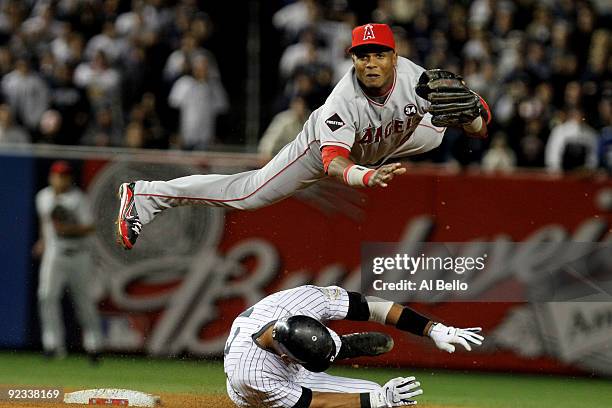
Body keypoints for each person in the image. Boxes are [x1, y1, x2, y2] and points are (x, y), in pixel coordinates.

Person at [117, 23, 490, 250]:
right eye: (362, 56)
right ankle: (146, 195)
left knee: (442, 128)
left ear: (395, 57)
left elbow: (482, 127)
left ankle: (455, 115)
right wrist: (365, 176)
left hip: (396, 139)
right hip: (323, 148)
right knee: (247, 194)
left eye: (378, 54)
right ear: (353, 60)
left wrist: (473, 115)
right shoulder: (343, 101)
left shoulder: (419, 82)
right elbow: (333, 163)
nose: (370, 63)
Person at [224, 285, 483, 407]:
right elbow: (314, 403)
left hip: (289, 359)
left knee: (380, 400)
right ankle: (341, 349)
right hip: (262, 394)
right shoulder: (251, 377)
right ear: (286, 357)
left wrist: (431, 329)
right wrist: (378, 399)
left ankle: (340, 348)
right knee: (376, 399)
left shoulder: (302, 301)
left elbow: (370, 307)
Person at [33, 161, 103, 360]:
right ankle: (52, 345)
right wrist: (42, 240)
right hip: (54, 253)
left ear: (69, 178)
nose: (60, 179)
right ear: (51, 177)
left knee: (84, 301)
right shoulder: (43, 197)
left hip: (79, 254)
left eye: (64, 175)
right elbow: (45, 224)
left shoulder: (78, 199)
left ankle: (94, 346)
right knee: (46, 296)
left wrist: (68, 230)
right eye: (57, 175)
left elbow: (90, 227)